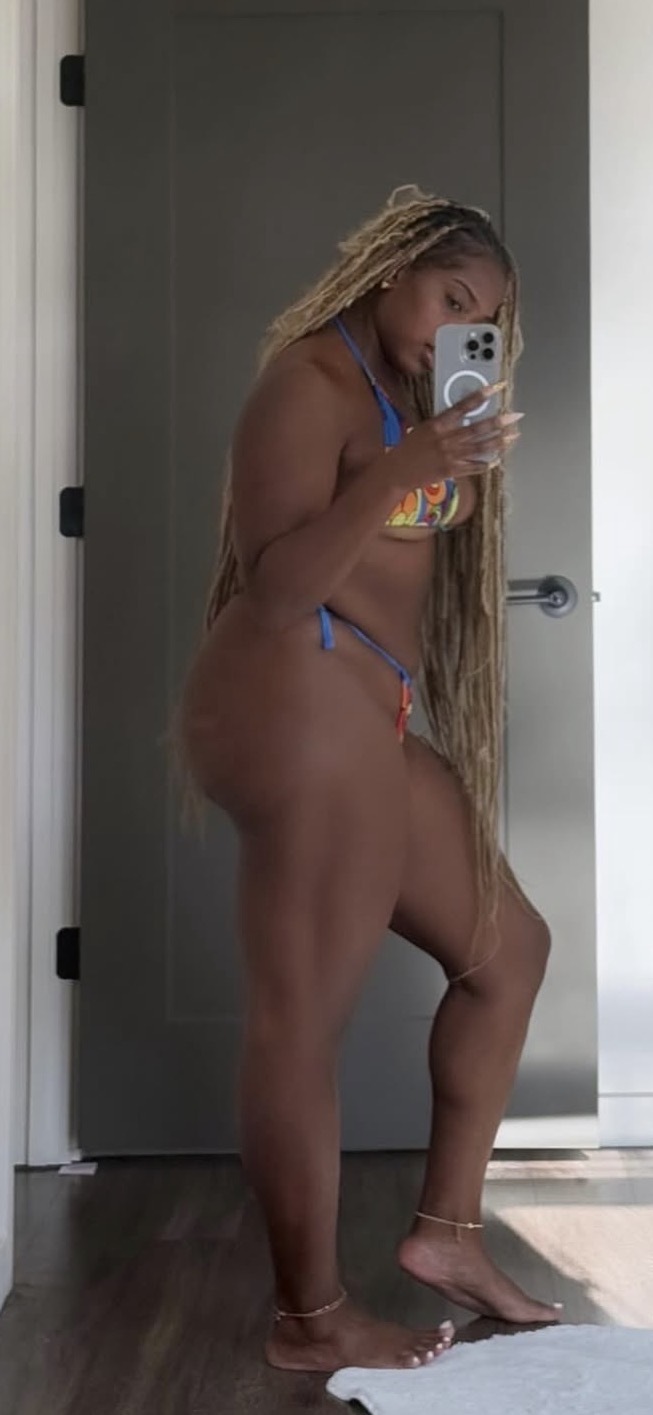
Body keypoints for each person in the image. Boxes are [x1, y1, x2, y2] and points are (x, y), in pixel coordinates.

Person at [176, 187, 558, 1374]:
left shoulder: (411, 399)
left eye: (478, 317)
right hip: (288, 697)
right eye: (447, 296)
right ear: (392, 267)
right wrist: (406, 466)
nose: (454, 326)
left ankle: (446, 1234)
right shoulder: (308, 384)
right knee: (303, 1018)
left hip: (366, 711)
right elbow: (278, 585)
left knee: (508, 950)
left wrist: (439, 454)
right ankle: (309, 1318)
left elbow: (402, 530)